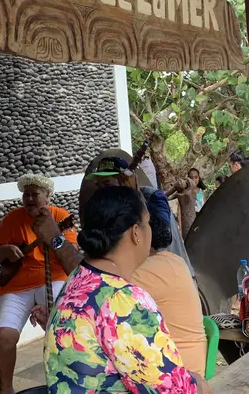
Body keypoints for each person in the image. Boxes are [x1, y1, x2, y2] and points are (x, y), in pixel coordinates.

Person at [45, 186, 210, 394]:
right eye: (148, 222)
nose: (151, 229)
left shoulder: (77, 279)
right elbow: (174, 391)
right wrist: (200, 385)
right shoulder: (122, 300)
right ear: (136, 233)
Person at [0, 174, 81, 394]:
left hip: (53, 278)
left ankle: (66, 382)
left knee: (62, 328)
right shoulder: (12, 218)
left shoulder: (61, 216)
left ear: (47, 197)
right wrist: (6, 251)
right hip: (16, 286)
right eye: (25, 194)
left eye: (34, 194)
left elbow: (73, 255)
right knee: (3, 336)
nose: (29, 199)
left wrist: (54, 237)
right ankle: (6, 389)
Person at [132, 190, 207, 375]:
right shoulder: (174, 261)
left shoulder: (145, 270)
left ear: (136, 231)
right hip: (186, 367)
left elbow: (99, 289)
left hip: (178, 375)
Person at [84, 156, 196, 277]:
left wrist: (137, 197)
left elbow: (163, 238)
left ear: (125, 180)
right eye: (99, 186)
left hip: (175, 275)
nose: (103, 191)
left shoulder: (153, 196)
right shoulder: (113, 210)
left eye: (107, 184)